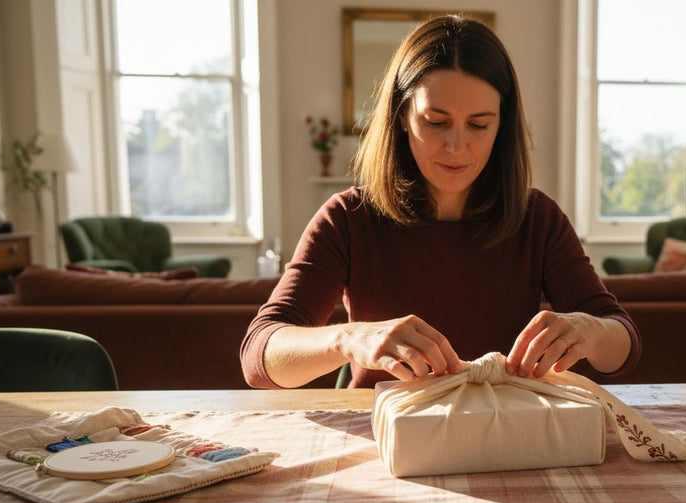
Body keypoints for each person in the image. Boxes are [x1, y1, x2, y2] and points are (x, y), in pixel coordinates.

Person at [241, 15, 639, 389]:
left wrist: (592, 330)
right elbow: (260, 355)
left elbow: (623, 346)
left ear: (502, 125)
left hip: (504, 439)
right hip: (387, 439)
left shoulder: (538, 218)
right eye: (436, 121)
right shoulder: (347, 218)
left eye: (479, 125)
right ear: (401, 115)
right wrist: (350, 337)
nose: (456, 146)